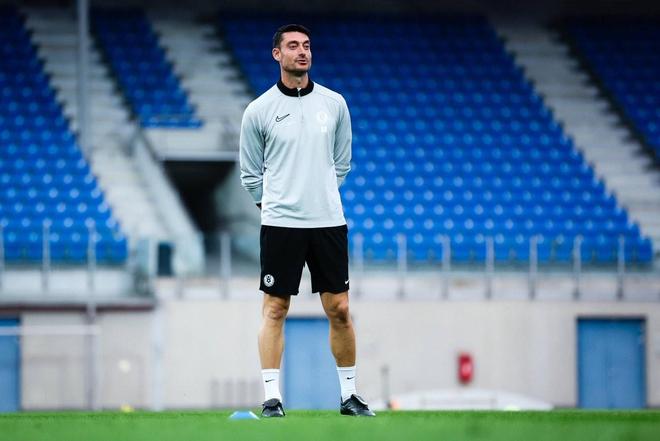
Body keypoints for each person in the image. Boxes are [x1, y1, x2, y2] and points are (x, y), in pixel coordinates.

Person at [239, 23, 375, 418]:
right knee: (275, 308)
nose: (303, 51)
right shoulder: (259, 110)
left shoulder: (334, 104)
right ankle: (272, 399)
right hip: (280, 224)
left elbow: (342, 162)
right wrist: (276, 206)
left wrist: (318, 197)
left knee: (340, 308)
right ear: (277, 54)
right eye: (293, 46)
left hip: (328, 222)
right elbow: (250, 174)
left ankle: (349, 396)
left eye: (307, 45)